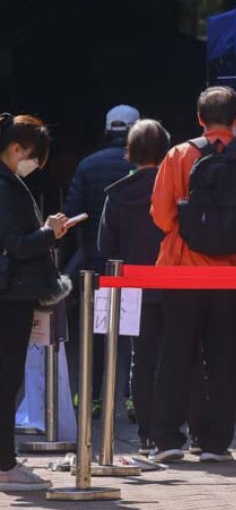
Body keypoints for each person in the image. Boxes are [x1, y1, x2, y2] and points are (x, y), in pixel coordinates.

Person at [148, 87, 236, 463]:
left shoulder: (179, 155)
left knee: (175, 353)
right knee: (223, 356)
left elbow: (161, 214)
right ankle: (215, 442)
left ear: (199, 119)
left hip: (181, 271)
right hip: (232, 275)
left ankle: (169, 438)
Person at [0, 114, 69, 492]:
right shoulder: (7, 187)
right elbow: (18, 244)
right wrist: (50, 232)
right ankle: (6, 466)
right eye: (32, 157)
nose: (33, 166)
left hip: (9, 292)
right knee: (6, 379)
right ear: (15, 149)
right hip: (10, 296)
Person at [98, 119, 171, 455]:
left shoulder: (116, 194)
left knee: (139, 361)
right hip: (175, 283)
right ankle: (172, 429)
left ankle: (146, 434)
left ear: (131, 152)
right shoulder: (174, 189)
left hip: (131, 285)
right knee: (176, 356)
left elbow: (104, 246)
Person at [64, 104, 138, 415]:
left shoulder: (88, 165)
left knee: (95, 331)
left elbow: (71, 214)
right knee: (135, 332)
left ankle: (91, 398)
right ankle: (135, 399)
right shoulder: (146, 166)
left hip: (96, 261)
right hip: (137, 262)